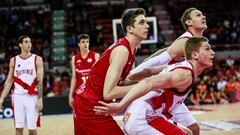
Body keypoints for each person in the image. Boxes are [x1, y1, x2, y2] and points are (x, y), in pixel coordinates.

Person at [94, 37, 215, 135]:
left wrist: (126, 80)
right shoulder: (184, 74)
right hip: (142, 117)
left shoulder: (182, 66)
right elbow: (148, 82)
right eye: (207, 49)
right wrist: (121, 105)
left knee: (189, 131)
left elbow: (148, 72)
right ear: (195, 55)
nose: (213, 52)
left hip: (144, 113)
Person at [128, 7, 207, 135]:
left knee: (194, 128)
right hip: (165, 95)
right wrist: (132, 73)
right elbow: (160, 58)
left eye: (202, 14)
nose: (203, 17)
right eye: (198, 15)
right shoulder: (186, 40)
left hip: (176, 96)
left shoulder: (194, 43)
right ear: (188, 22)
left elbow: (163, 51)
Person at [73, 8, 149, 135]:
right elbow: (109, 93)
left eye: (146, 22)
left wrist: (147, 78)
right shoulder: (122, 51)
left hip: (85, 100)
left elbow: (121, 81)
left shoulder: (131, 49)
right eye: (141, 22)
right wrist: (143, 86)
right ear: (130, 29)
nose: (147, 25)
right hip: (90, 105)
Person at [0, 35, 44, 135]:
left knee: (32, 129)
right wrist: (1, 98)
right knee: (18, 129)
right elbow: (9, 81)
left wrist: (40, 98)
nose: (29, 44)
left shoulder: (37, 59)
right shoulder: (13, 60)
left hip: (32, 97)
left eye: (30, 42)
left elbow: (40, 80)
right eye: (26, 42)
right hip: (18, 97)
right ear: (20, 45)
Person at [68, 34, 100, 134]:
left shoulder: (95, 56)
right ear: (78, 44)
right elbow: (74, 78)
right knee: (78, 124)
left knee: (94, 122)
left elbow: (99, 76)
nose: (85, 44)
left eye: (87, 41)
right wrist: (70, 95)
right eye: (83, 42)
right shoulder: (75, 58)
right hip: (79, 96)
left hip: (92, 95)